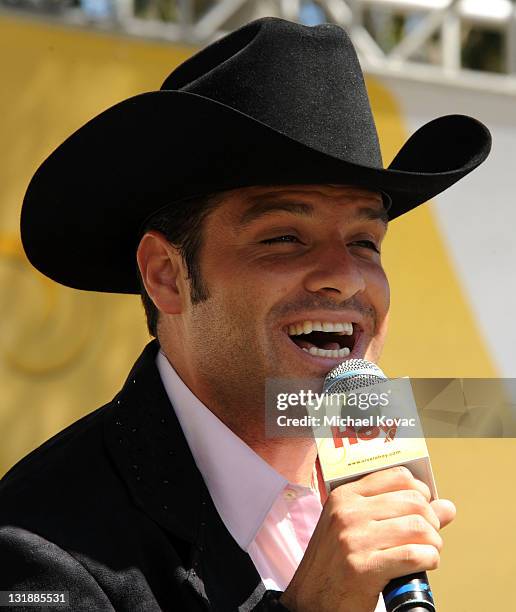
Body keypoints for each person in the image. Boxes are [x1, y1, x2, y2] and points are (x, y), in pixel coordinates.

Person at [0, 16, 490, 612]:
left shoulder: (372, 491)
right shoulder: (37, 550)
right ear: (165, 275)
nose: (346, 276)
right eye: (284, 236)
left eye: (365, 241)